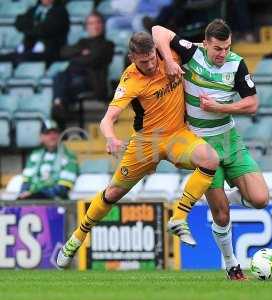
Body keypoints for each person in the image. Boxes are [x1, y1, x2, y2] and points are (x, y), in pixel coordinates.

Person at [56, 32, 220, 268]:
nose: (151, 64)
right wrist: (111, 138)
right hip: (146, 143)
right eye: (144, 61)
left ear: (156, 50)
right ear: (132, 57)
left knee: (210, 159)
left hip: (177, 136)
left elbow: (187, 41)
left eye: (152, 57)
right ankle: (76, 238)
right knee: (112, 193)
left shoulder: (170, 55)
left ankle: (179, 217)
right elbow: (107, 119)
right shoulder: (130, 81)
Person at [153, 19, 269, 280]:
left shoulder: (236, 63)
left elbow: (251, 103)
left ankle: (223, 198)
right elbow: (158, 32)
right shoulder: (191, 53)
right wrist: (170, 62)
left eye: (226, 48)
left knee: (260, 200)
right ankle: (231, 265)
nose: (222, 54)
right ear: (205, 44)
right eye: (217, 48)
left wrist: (221, 108)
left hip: (230, 140)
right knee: (222, 214)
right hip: (203, 146)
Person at [52, 11, 114, 130]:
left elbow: (94, 59)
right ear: (87, 27)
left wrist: (76, 57)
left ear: (102, 25)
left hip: (92, 81)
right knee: (59, 75)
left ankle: (60, 106)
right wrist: (81, 53)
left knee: (68, 82)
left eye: (97, 22)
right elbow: (64, 52)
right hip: (72, 78)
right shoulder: (83, 42)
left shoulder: (107, 45)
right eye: (91, 23)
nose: (95, 26)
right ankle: (60, 106)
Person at [17, 120, 78, 200]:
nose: (52, 136)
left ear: (60, 135)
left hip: (56, 203)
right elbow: (26, 182)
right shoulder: (35, 155)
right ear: (41, 137)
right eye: (48, 133)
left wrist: (34, 194)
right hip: (31, 200)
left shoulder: (69, 156)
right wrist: (23, 194)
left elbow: (63, 189)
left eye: (55, 132)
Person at [0, 0, 69, 66]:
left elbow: (47, 29)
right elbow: (19, 23)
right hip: (29, 48)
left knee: (19, 58)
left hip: (50, 51)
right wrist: (35, 25)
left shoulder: (60, 11)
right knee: (6, 58)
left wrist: (31, 27)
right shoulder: (35, 9)